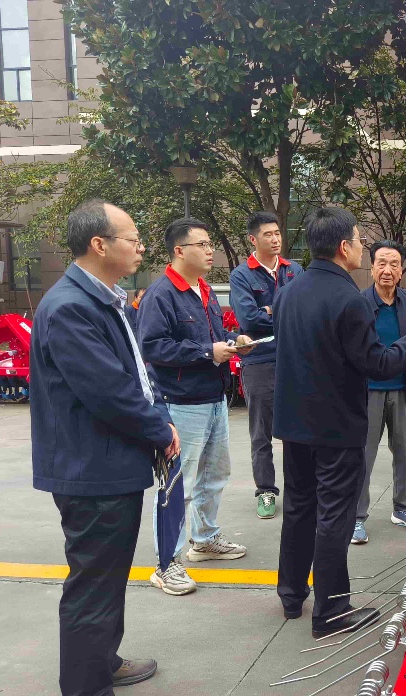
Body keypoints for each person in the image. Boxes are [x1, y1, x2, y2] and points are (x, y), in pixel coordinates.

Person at [272, 206, 406, 638]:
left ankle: (291, 594)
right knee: (334, 516)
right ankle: (331, 611)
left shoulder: (289, 292)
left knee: (299, 509)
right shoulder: (348, 298)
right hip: (335, 427)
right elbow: (377, 363)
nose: (362, 247)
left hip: (296, 424)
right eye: (359, 240)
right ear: (343, 246)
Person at [31, 199, 180, 695]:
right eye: (132, 239)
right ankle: (86, 685)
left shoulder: (103, 298)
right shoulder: (71, 307)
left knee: (107, 578)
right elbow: (109, 391)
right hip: (91, 468)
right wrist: (160, 430)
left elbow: (134, 374)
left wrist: (159, 417)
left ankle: (102, 660)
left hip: (108, 463)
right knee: (93, 585)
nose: (141, 247)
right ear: (99, 244)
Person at [138, 218, 255, 596]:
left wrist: (233, 341)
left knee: (214, 475)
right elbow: (153, 347)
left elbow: (215, 336)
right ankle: (166, 563)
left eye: (210, 244)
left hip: (214, 397)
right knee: (178, 484)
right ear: (179, 250)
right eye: (202, 245)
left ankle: (204, 539)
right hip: (181, 402)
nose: (210, 251)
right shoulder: (161, 295)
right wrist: (207, 351)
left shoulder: (204, 290)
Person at [229, 211, 302, 519]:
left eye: (277, 233)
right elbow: (248, 319)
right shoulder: (241, 275)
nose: (275, 239)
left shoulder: (294, 269)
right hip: (259, 361)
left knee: (298, 429)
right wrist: (281, 310)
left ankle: (299, 488)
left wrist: (270, 310)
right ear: (253, 239)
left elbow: (303, 309)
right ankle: (266, 491)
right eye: (267, 234)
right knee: (261, 432)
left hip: (295, 359)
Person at [353, 240, 406, 545]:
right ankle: (356, 517)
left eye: (394, 264)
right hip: (367, 391)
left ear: (401, 270)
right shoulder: (358, 302)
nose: (387, 270)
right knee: (363, 457)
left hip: (403, 389)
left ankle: (403, 507)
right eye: (381, 263)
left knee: (404, 453)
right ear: (372, 267)